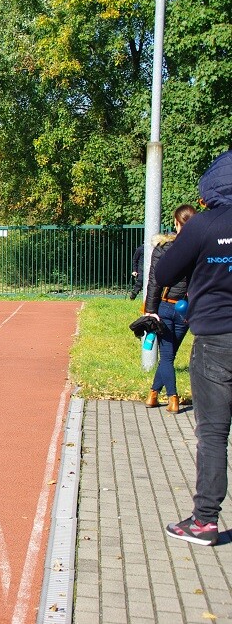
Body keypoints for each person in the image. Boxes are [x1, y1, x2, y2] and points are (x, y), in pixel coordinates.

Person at [154, 149, 232, 546]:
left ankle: (204, 521)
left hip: (218, 336)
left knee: (214, 432)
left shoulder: (204, 224)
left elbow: (165, 271)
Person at [143, 205, 196, 412]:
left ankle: (172, 398)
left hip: (164, 306)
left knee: (166, 356)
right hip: (186, 309)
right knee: (169, 355)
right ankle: (153, 394)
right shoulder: (199, 247)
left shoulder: (164, 248)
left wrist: (150, 309)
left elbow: (154, 282)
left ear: (176, 222)